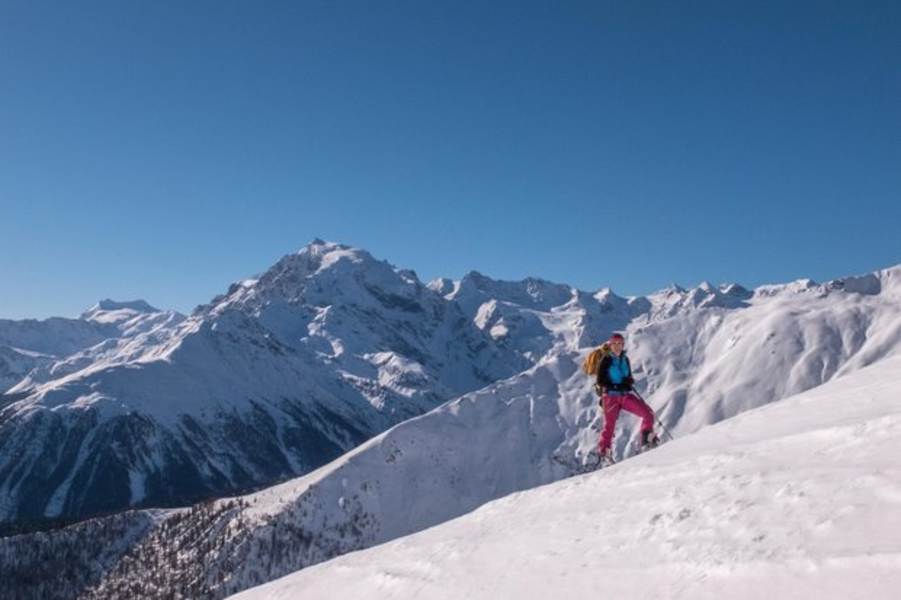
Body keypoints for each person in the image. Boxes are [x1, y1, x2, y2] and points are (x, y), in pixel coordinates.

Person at [595, 333, 659, 464]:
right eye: (615, 344)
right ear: (610, 345)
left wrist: (628, 381)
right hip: (610, 397)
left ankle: (646, 441)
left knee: (648, 413)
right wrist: (616, 385)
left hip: (624, 395)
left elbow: (628, 376)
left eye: (620, 344)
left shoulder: (625, 359)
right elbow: (600, 381)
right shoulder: (606, 360)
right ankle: (604, 454)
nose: (617, 346)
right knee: (609, 426)